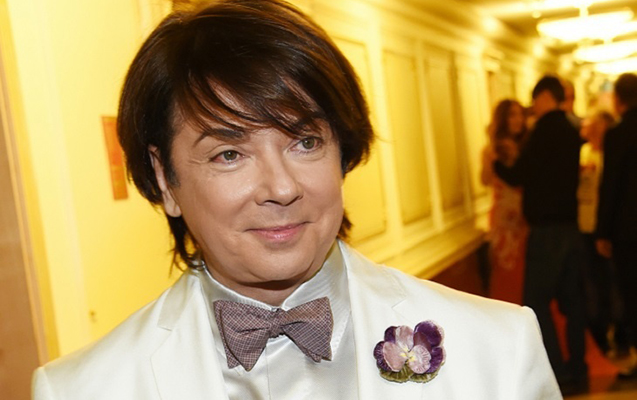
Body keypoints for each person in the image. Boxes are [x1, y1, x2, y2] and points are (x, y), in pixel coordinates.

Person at [31, 1, 561, 399]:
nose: (282, 188)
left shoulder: (497, 348)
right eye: (229, 154)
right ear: (164, 179)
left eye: (304, 142)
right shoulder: (81, 389)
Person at [494, 76, 588, 394]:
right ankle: (579, 368)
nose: (532, 106)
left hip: (546, 231)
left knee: (535, 302)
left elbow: (519, 175)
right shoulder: (573, 129)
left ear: (545, 96)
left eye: (535, 99)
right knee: (573, 302)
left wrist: (497, 166)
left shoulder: (543, 131)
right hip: (571, 227)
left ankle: (557, 371)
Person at [596, 73, 637, 377]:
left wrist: (603, 232)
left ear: (618, 100)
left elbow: (610, 184)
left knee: (632, 294)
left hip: (627, 230)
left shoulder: (617, 134)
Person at [577, 110, 625, 355]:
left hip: (606, 228)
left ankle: (620, 333)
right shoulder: (583, 152)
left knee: (614, 283)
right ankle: (601, 334)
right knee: (593, 283)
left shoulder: (614, 154)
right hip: (584, 225)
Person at [481, 99, 529, 305]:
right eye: (512, 115)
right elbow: (484, 180)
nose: (518, 120)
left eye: (520, 114)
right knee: (505, 269)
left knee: (524, 270)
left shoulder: (527, 146)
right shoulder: (492, 150)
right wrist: (492, 157)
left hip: (524, 216)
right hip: (503, 217)